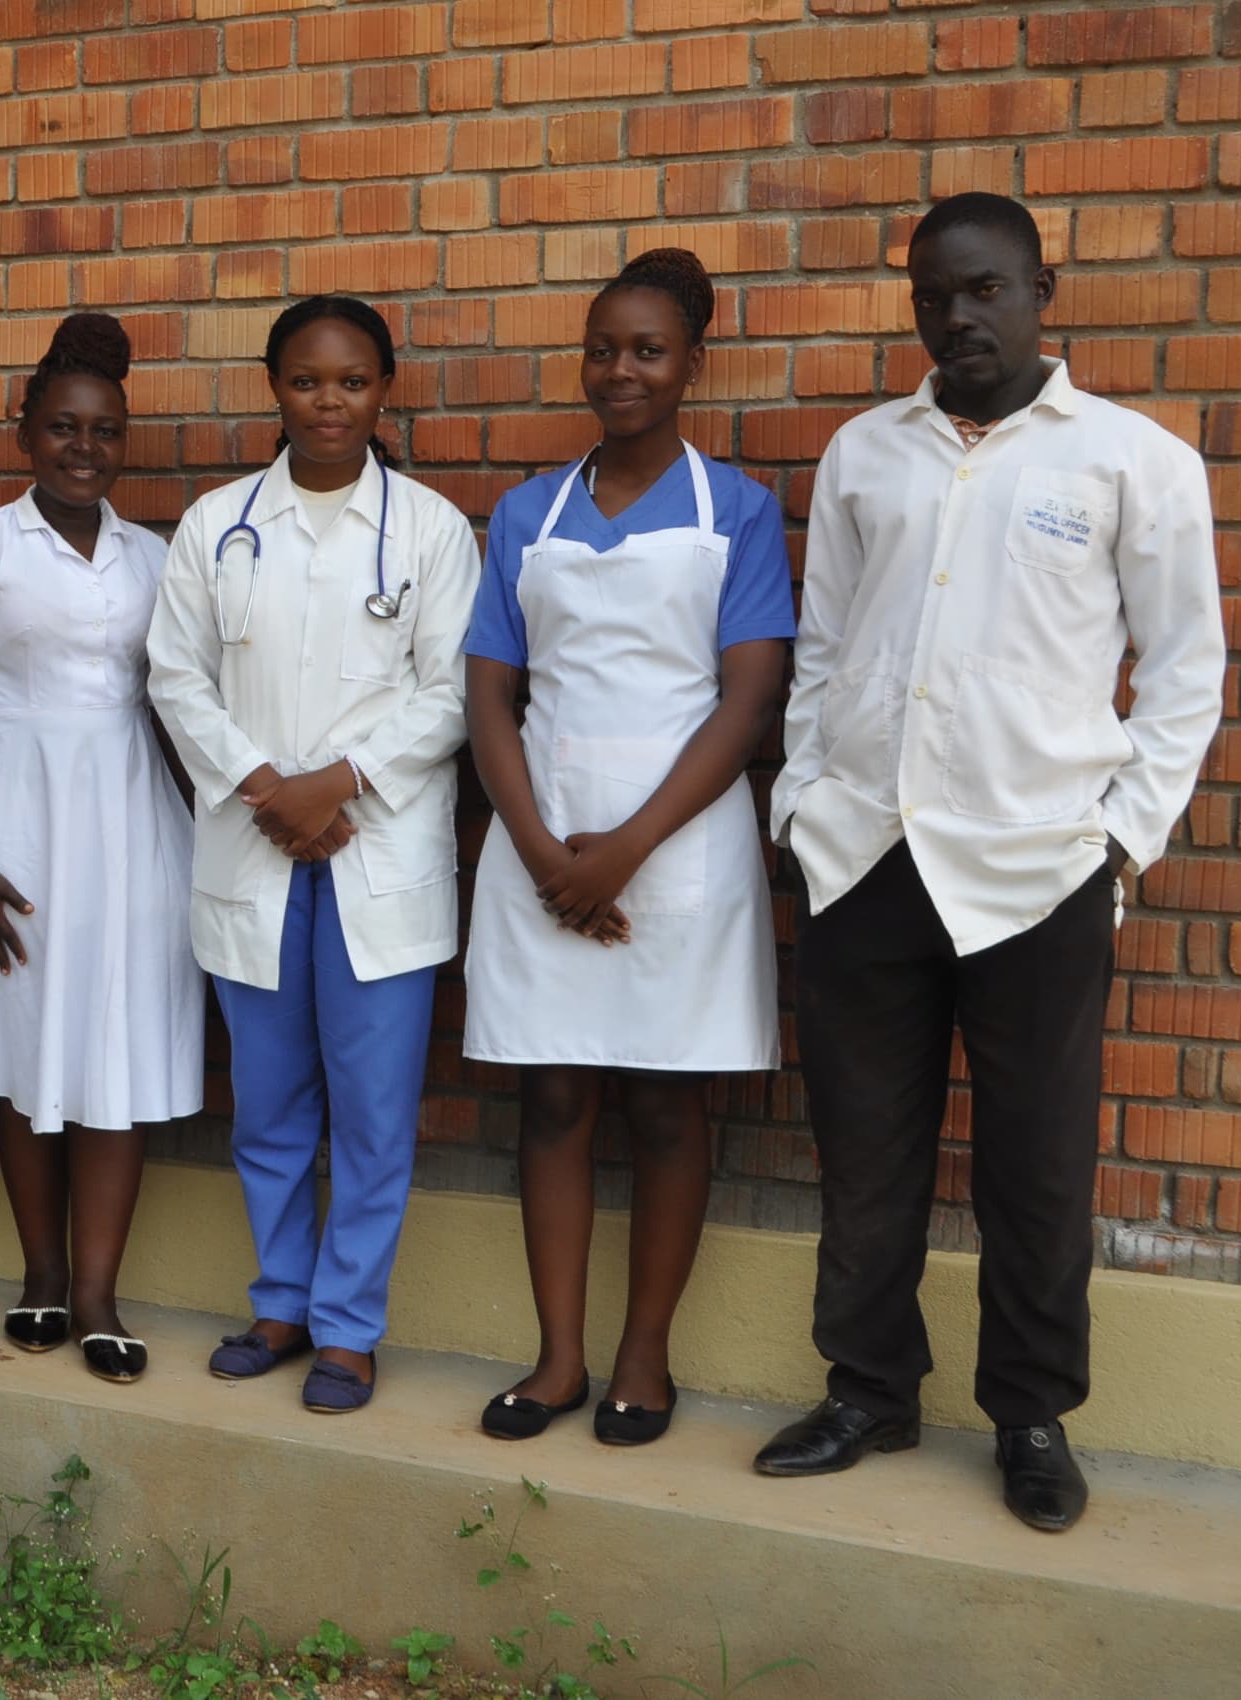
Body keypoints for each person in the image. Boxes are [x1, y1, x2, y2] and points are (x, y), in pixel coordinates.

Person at [757, 193, 1223, 1531]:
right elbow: (826, 649)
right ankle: (868, 1389)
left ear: (1040, 291)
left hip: (1038, 863)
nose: (955, 317)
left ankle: (1031, 1414)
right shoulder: (867, 453)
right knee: (866, 1144)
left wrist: (1122, 837)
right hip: (868, 853)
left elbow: (1188, 673)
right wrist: (806, 802)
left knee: (1035, 1161)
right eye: (932, 296)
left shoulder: (1135, 462)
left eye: (983, 291)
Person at [460, 250, 796, 1447]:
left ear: (691, 362)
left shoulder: (739, 511)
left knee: (663, 1102)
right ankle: (556, 1358)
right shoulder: (524, 513)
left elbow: (747, 700)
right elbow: (490, 697)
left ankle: (641, 1358)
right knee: (551, 1096)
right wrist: (548, 850)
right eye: (602, 347)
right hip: (538, 839)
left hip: (678, 846)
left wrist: (623, 852)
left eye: (647, 349)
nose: (620, 369)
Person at [147, 296, 479, 1415]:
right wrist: (265, 788)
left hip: (374, 850)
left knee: (374, 1111)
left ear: (384, 388)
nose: (327, 400)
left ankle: (347, 1327)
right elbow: (173, 677)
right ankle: (280, 1301)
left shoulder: (429, 530)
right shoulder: (215, 524)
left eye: (349, 380)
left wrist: (330, 784)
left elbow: (450, 695)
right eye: (304, 380)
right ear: (272, 386)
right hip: (253, 850)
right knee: (271, 1105)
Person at [0, 314, 203, 1384]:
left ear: (123, 441)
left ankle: (102, 1296)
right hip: (10, 817)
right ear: (23, 430)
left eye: (104, 431)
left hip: (124, 823)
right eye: (62, 426)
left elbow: (173, 707)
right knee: (27, 1050)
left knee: (107, 1042)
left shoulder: (153, 557)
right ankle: (40, 1275)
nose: (83, 446)